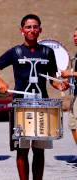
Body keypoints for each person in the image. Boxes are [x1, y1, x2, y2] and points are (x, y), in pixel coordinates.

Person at [0, 14, 68, 180]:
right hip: (21, 105)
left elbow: (52, 79)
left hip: (42, 105)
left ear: (40, 30)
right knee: (22, 150)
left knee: (39, 150)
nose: (32, 30)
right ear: (22, 30)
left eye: (35, 27)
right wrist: (0, 82)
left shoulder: (47, 52)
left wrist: (60, 85)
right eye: (28, 27)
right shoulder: (15, 52)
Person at [61, 27, 77, 163]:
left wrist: (70, 74)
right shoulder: (76, 55)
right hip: (75, 95)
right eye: (74, 36)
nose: (75, 38)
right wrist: (68, 81)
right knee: (73, 125)